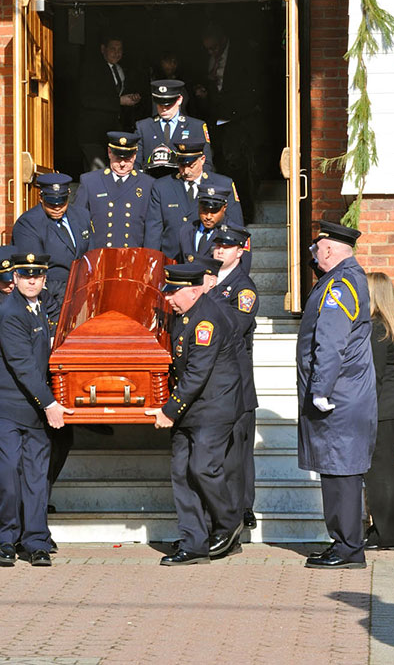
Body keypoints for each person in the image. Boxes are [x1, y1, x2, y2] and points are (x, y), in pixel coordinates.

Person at [145, 264, 244, 565]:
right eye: (169, 292)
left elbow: (198, 372)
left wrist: (169, 410)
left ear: (195, 289)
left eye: (175, 293)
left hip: (213, 407)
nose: (169, 299)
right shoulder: (185, 315)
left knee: (203, 469)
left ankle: (229, 523)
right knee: (181, 473)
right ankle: (194, 541)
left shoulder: (206, 320)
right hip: (192, 407)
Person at [0, 253, 74, 567]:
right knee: (8, 475)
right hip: (5, 407)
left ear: (43, 279)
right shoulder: (12, 314)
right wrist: (50, 404)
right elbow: (22, 366)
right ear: (15, 279)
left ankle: (35, 541)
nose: (32, 281)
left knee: (35, 476)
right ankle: (7, 540)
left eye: (38, 276)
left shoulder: (38, 306)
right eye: (25, 276)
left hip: (31, 409)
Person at [297, 220, 377, 569]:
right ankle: (344, 544)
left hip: (339, 398)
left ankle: (347, 548)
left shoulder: (341, 284)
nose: (314, 254)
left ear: (328, 249)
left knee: (341, 473)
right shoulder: (343, 279)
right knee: (337, 471)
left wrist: (320, 390)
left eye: (317, 249)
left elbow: (330, 341)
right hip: (346, 395)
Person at [210, 224, 259, 529]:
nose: (219, 250)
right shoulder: (208, 280)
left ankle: (242, 508)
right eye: (217, 245)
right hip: (214, 379)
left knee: (238, 450)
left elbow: (234, 327)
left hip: (235, 378)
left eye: (226, 247)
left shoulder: (244, 288)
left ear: (240, 252)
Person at [193, 23, 266, 222]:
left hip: (240, 123)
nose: (211, 52)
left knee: (240, 172)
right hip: (217, 124)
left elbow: (254, 89)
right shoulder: (207, 60)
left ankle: (245, 215)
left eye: (214, 48)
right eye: (207, 49)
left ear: (223, 40)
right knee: (222, 169)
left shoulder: (243, 54)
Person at [363, 272, 394, 550]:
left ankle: (387, 535)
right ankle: (386, 531)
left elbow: (374, 376)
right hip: (390, 402)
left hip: (384, 405)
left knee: (382, 471)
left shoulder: (374, 328)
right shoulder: (383, 325)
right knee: (384, 468)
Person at [143, 141, 243, 260]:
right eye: (181, 166)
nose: (186, 172)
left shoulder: (222, 184)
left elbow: (236, 227)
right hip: (173, 261)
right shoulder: (162, 186)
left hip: (210, 260)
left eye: (191, 165)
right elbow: (153, 231)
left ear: (202, 159)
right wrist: (150, 262)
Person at [12, 173, 92, 310]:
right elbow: (35, 273)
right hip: (52, 299)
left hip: (85, 292)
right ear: (41, 198)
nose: (57, 208)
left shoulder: (81, 216)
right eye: (51, 203)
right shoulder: (29, 223)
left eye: (62, 202)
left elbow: (92, 254)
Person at [0, 245, 60, 367]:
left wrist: (53, 337)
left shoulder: (35, 292)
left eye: (14, 279)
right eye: (5, 281)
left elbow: (55, 312)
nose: (12, 285)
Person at [74, 131, 154, 248]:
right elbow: (79, 221)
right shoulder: (90, 181)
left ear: (135, 155)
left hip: (133, 257)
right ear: (109, 152)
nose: (122, 163)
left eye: (127, 159)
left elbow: (152, 228)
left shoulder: (148, 184)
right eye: (118, 158)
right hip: (100, 256)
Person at [77, 35, 142, 169]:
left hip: (112, 133)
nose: (117, 53)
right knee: (96, 173)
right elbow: (87, 99)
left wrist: (131, 98)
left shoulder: (119, 69)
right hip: (93, 134)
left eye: (120, 49)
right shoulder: (92, 69)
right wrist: (119, 101)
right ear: (103, 49)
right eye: (113, 49)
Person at [135, 79, 213, 173]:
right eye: (160, 104)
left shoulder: (196, 126)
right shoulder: (143, 126)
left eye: (168, 104)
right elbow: (136, 163)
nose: (164, 108)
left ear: (179, 99)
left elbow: (206, 163)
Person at [178, 190, 252, 273]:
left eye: (214, 211)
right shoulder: (186, 230)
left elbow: (243, 271)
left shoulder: (236, 233)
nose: (208, 216)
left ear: (224, 208)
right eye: (204, 210)